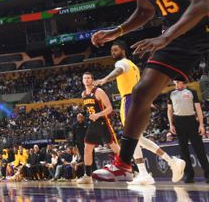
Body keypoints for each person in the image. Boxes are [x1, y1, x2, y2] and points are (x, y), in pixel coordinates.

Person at [92, 0, 209, 182]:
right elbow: (146, 12)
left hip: (200, 29)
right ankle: (123, 163)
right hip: (174, 37)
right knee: (141, 92)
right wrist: (117, 31)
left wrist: (166, 36)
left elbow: (201, 4)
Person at [95, 40, 185, 184]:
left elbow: (118, 70)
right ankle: (149, 171)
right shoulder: (133, 66)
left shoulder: (122, 63)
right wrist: (148, 100)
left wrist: (104, 80)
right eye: (111, 51)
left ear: (123, 51)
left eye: (116, 50)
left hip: (129, 100)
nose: (113, 53)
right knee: (136, 139)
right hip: (138, 98)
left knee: (132, 138)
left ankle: (168, 163)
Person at [76, 72, 119, 184]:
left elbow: (110, 108)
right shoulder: (83, 94)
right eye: (84, 78)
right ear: (82, 80)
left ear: (92, 79)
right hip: (93, 123)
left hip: (103, 122)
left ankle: (133, 170)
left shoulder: (98, 91)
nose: (86, 80)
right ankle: (88, 176)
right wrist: (92, 116)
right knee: (87, 148)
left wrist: (98, 115)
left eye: (88, 78)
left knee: (114, 147)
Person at [168, 79, 209, 183]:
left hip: (191, 121)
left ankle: (207, 174)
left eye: (178, 82)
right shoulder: (171, 94)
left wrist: (201, 125)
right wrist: (171, 124)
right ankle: (189, 175)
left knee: (199, 149)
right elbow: (169, 110)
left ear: (183, 82)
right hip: (178, 122)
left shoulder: (192, 92)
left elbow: (198, 109)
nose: (176, 84)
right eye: (175, 82)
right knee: (183, 151)